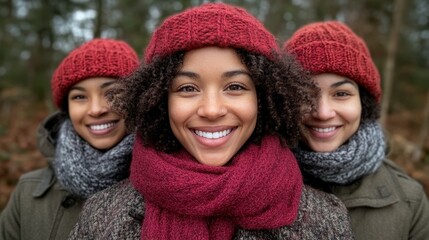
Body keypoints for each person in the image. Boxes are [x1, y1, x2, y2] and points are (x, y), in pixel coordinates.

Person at [69, 3, 354, 240]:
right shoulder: (101, 217)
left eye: (235, 87)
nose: (212, 109)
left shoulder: (324, 219)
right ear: (158, 101)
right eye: (187, 89)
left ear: (265, 98)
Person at [284, 21, 429, 240]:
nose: (323, 113)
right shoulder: (247, 182)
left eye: (341, 94)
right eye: (305, 94)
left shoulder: (409, 199)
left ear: (364, 102)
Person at [0, 38, 139, 240]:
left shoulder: (166, 185)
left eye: (113, 93)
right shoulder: (29, 191)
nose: (96, 109)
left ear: (137, 99)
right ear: (67, 109)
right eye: (79, 97)